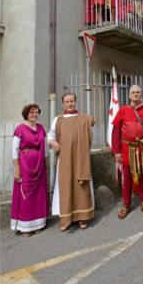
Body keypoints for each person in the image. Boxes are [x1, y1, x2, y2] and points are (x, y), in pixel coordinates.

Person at [48, 93, 97, 231]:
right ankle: (66, 219)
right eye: (67, 102)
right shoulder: (58, 120)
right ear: (63, 104)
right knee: (65, 187)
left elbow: (93, 128)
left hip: (81, 158)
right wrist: (53, 142)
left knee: (81, 188)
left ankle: (83, 217)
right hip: (65, 159)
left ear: (75, 102)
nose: (70, 104)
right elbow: (50, 135)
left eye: (72, 101)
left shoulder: (84, 118)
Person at [111, 85, 143, 219]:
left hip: (142, 148)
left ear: (141, 95)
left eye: (138, 92)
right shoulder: (123, 110)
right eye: (133, 92)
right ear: (129, 95)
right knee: (126, 177)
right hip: (127, 149)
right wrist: (117, 151)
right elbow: (116, 131)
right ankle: (126, 204)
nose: (136, 94)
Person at [10, 104, 49, 236]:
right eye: (32, 113)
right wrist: (17, 168)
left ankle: (38, 223)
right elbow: (14, 150)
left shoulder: (41, 128)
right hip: (25, 164)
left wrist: (46, 162)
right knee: (26, 193)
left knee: (39, 194)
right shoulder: (20, 129)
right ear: (26, 114)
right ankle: (26, 227)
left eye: (36, 112)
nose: (34, 115)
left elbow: (45, 147)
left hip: (39, 164)